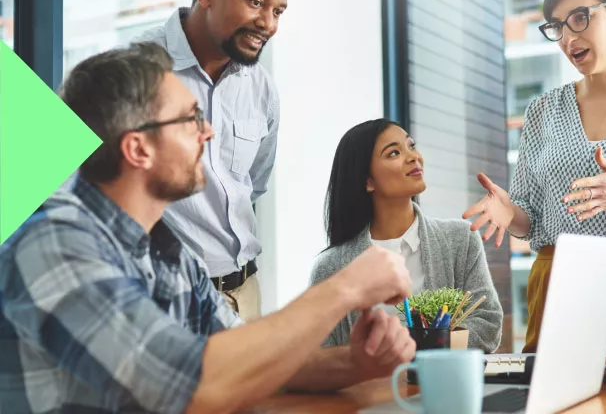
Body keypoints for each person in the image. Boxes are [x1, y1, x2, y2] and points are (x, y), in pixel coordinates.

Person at [0, 44, 416, 414]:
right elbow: (189, 387)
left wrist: (356, 363)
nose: (209, 131)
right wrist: (342, 289)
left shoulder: (169, 251)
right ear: (138, 148)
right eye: (191, 118)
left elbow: (245, 358)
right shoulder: (54, 242)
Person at [463, 0, 606, 353]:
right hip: (557, 289)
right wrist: (508, 213)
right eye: (558, 26)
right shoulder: (542, 111)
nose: (568, 38)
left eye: (580, 18)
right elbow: (529, 219)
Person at [134, 0, 289, 321]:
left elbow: (253, 185)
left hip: (245, 293)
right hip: (167, 299)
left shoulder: (261, 86)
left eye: (278, 11)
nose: (268, 23)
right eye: (255, 2)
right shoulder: (136, 68)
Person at [310, 119, 503, 352]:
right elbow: (320, 353)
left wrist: (420, 348)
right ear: (368, 181)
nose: (413, 156)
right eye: (393, 153)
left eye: (411, 145)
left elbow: (488, 324)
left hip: (441, 385)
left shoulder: (460, 240)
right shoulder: (330, 267)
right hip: (367, 388)